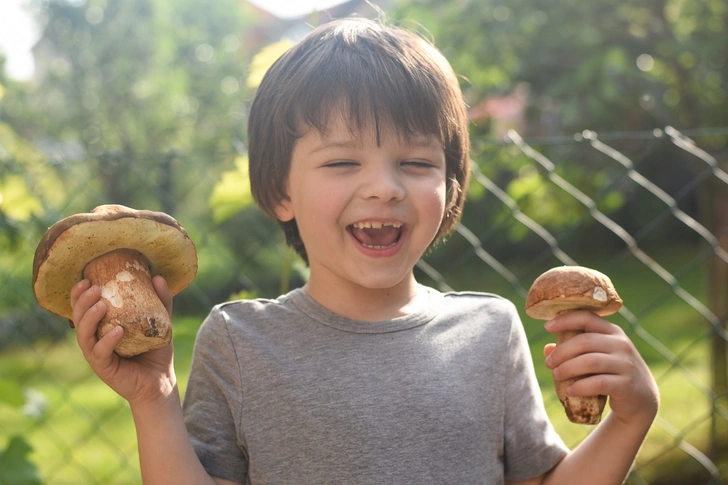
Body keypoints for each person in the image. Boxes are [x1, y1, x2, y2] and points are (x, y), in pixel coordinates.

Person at [70, 17, 659, 485]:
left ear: (451, 186)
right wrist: (154, 401)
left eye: (416, 162)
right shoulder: (238, 343)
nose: (385, 186)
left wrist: (632, 418)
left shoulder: (491, 330)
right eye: (343, 161)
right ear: (280, 191)